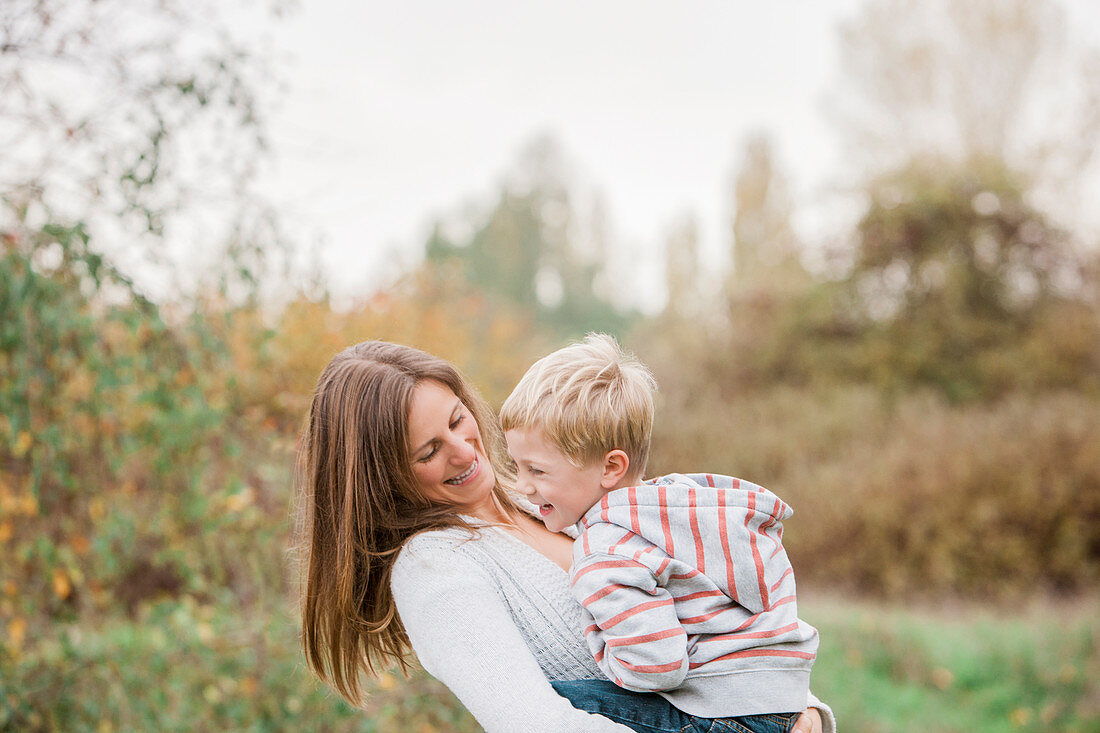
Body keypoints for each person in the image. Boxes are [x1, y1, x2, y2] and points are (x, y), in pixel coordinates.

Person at [296, 340, 833, 733]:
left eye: (459, 420)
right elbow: (532, 721)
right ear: (382, 475)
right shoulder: (434, 567)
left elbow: (706, 605)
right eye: (428, 451)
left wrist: (798, 707)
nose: (463, 450)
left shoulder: (557, 497)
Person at [499, 334, 822, 733]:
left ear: (611, 468)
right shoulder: (683, 507)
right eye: (516, 467)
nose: (521, 486)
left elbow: (659, 667)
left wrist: (602, 655)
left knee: (551, 702)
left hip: (724, 714)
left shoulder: (604, 549)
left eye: (537, 470)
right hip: (786, 699)